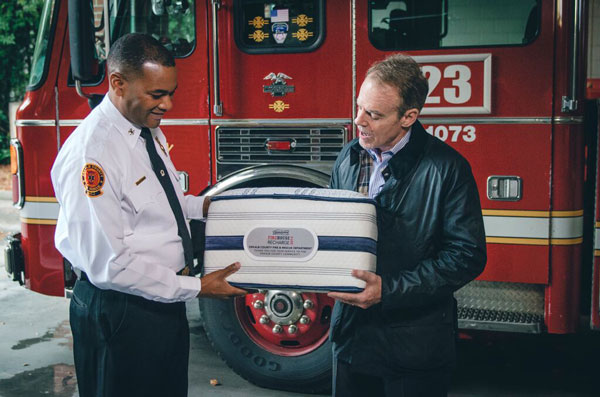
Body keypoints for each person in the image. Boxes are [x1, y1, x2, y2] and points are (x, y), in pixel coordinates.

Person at [51, 33, 246, 397]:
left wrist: (212, 206)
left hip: (159, 303)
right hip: (121, 311)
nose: (168, 104)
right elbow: (110, 266)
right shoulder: (93, 154)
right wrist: (199, 287)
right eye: (157, 95)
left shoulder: (143, 128)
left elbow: (165, 205)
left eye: (170, 92)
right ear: (118, 83)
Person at [327, 53, 486, 396]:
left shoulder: (448, 169)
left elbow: (466, 256)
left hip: (414, 348)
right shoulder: (349, 157)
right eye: (359, 107)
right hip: (352, 341)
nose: (359, 121)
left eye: (374, 114)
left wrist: (388, 289)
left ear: (409, 117)